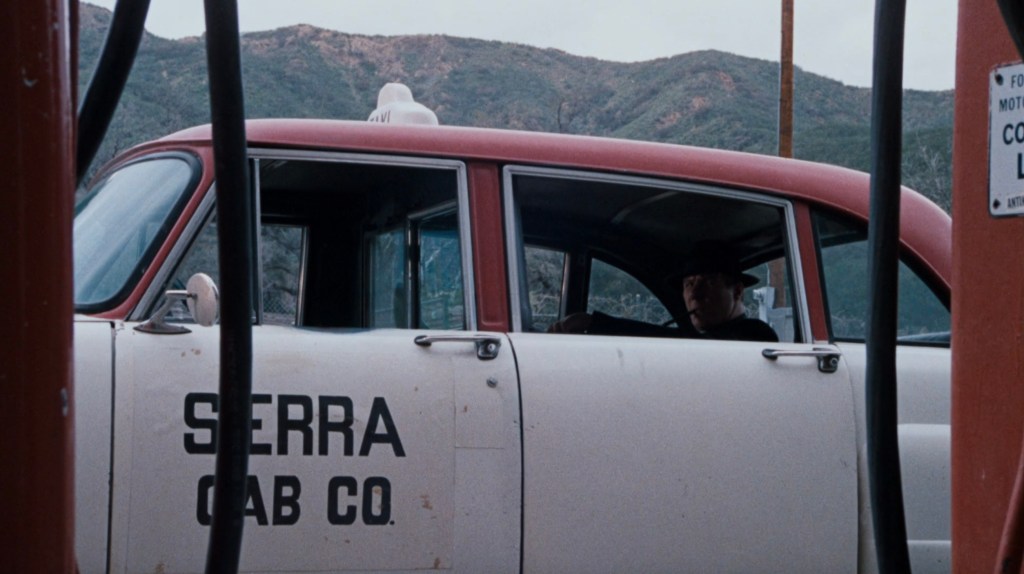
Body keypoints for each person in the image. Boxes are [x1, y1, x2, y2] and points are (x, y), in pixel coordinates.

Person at [547, 240, 778, 342]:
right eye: (688, 284)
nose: (694, 294)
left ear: (737, 291)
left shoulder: (756, 336)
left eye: (708, 282)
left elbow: (688, 346)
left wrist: (595, 324)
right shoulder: (701, 337)